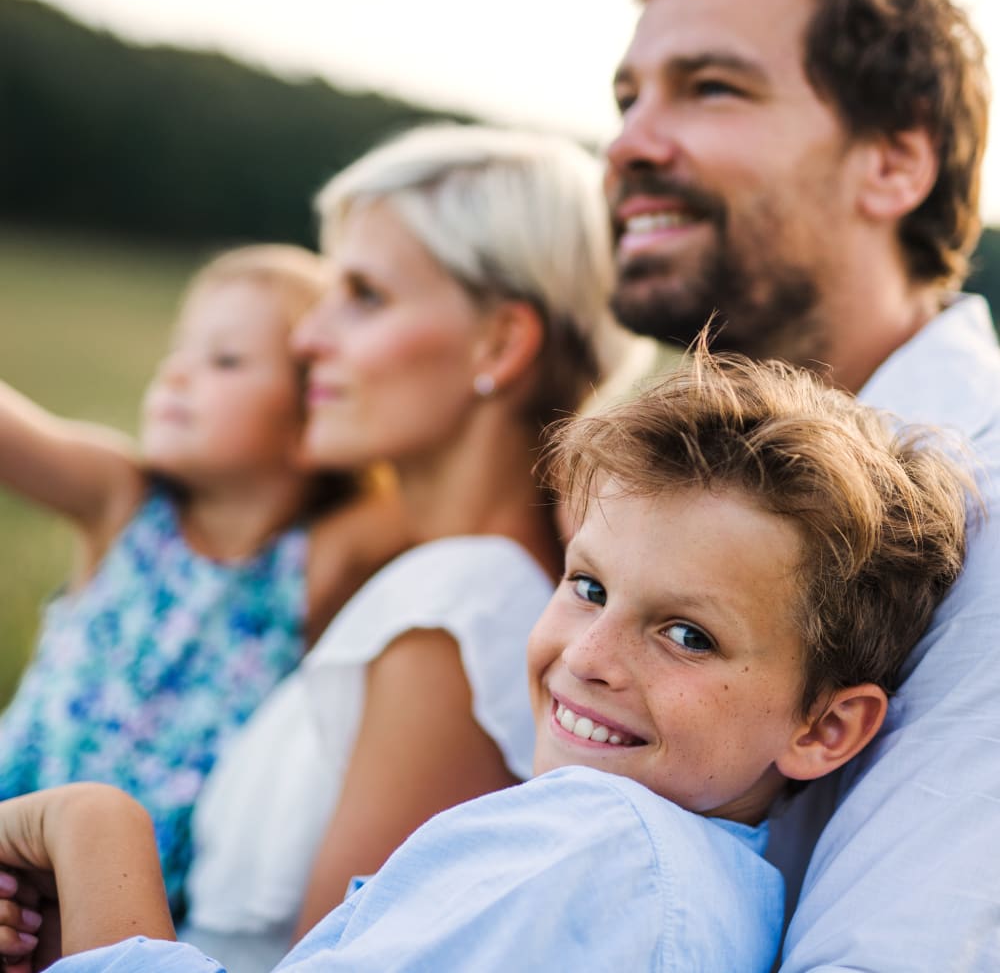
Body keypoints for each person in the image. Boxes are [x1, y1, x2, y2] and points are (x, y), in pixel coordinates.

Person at [0, 345, 971, 972]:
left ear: (824, 726)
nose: (586, 657)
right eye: (587, 586)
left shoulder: (592, 850)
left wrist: (92, 826)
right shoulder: (685, 882)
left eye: (686, 634)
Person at [605, 0, 998, 968]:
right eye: (627, 98)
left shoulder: (983, 513)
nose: (628, 145)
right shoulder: (655, 481)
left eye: (711, 88)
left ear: (894, 160)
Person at [169, 123, 630, 972]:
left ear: (500, 344)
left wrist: (89, 851)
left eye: (365, 295)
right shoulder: (425, 578)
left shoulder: (460, 610)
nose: (308, 337)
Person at [0, 244, 404, 915]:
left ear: (315, 404)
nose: (175, 374)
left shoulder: (317, 561)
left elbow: (454, 488)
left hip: (133, 913)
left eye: (225, 360)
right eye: (179, 350)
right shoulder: (122, 501)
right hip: (13, 832)